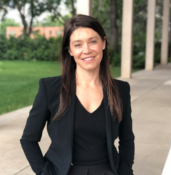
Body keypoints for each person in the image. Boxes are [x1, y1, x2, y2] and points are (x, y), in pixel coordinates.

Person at [20, 14, 135, 175]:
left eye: (92, 41)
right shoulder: (50, 88)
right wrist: (44, 172)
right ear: (70, 51)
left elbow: (127, 139)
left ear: (103, 42)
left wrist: (125, 171)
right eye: (78, 44)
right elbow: (29, 140)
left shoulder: (120, 90)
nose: (86, 50)